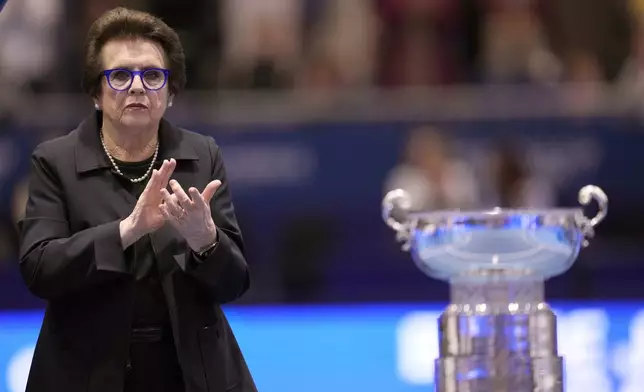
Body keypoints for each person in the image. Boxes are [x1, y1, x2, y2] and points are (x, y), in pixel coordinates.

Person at [18, 7, 257, 392]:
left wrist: (206, 243)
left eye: (151, 75)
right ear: (96, 93)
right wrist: (125, 231)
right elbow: (39, 269)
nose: (136, 86)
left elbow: (234, 284)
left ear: (171, 92)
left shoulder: (201, 155)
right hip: (87, 374)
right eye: (119, 75)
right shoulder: (55, 161)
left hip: (191, 373)